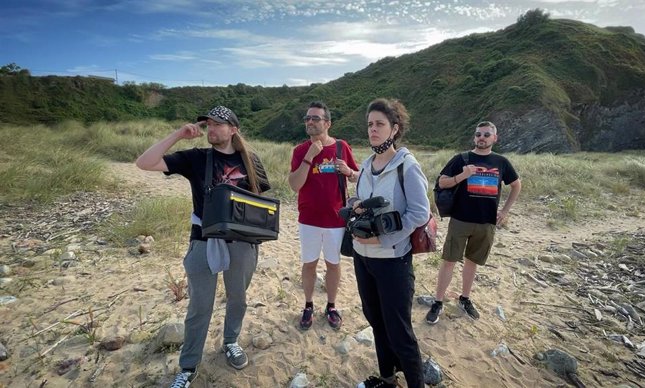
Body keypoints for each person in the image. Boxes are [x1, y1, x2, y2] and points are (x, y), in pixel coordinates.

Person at [135, 106, 271, 388]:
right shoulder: (196, 158)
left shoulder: (251, 161)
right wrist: (178, 134)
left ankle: (231, 341)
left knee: (238, 298)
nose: (211, 130)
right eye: (208, 125)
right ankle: (188, 366)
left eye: (218, 125)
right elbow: (144, 163)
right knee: (200, 307)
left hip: (243, 243)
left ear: (233, 129)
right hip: (202, 241)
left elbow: (259, 204)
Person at [350, 98, 429, 388]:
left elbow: (421, 213)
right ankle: (387, 380)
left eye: (380, 124)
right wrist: (355, 204)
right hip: (362, 256)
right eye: (370, 124)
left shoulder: (406, 166)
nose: (373, 129)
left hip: (393, 259)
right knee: (375, 321)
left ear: (394, 129)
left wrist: (382, 235)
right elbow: (357, 197)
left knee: (399, 330)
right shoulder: (366, 163)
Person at [425, 121, 521, 325]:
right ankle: (438, 302)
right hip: (460, 220)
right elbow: (442, 182)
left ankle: (465, 298)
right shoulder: (461, 159)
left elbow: (516, 185)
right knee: (449, 261)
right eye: (478, 134)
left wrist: (504, 211)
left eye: (487, 135)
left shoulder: (501, 162)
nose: (482, 138)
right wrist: (463, 175)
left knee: (472, 262)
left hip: (486, 223)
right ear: (474, 137)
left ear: (495, 138)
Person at [288, 101, 359, 331]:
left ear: (327, 123)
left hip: (336, 220)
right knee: (309, 264)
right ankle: (308, 305)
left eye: (315, 118)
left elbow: (357, 176)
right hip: (308, 220)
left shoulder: (341, 147)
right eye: (307, 118)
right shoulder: (300, 151)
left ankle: (331, 305)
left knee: (333, 264)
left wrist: (348, 171)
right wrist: (310, 156)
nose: (310, 122)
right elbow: (294, 185)